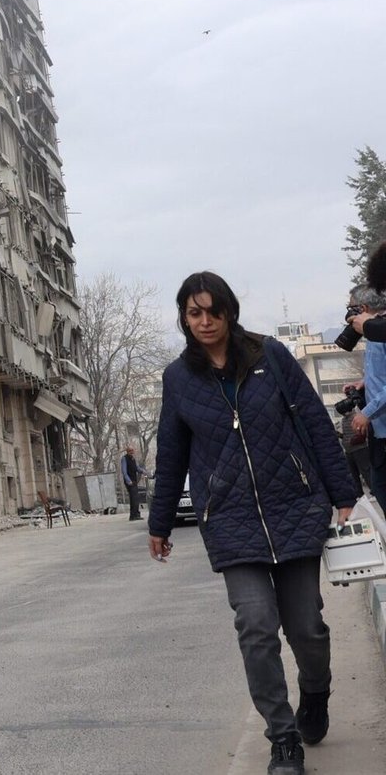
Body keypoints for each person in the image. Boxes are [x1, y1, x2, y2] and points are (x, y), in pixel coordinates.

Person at [148, 272, 357, 775]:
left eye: (212, 311)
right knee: (257, 626)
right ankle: (283, 737)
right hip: (231, 520)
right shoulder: (178, 379)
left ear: (229, 311)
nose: (204, 322)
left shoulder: (271, 357)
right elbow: (173, 453)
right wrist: (158, 522)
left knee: (306, 627)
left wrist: (343, 491)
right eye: (193, 313)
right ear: (183, 317)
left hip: (294, 506)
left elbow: (311, 420)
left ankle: (315, 693)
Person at [347, 287, 386, 501]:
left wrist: (367, 413)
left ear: (363, 308)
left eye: (351, 308)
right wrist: (365, 384)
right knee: (379, 489)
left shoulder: (382, 334)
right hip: (379, 434)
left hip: (380, 424)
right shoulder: (373, 337)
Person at [122, 446, 146, 520]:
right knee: (134, 498)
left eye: (132, 450)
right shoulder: (124, 459)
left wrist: (143, 471)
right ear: (127, 451)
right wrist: (128, 481)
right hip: (129, 481)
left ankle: (135, 515)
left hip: (134, 481)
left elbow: (137, 468)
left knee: (135, 498)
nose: (132, 452)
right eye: (130, 450)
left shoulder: (133, 459)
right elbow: (124, 471)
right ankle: (134, 515)